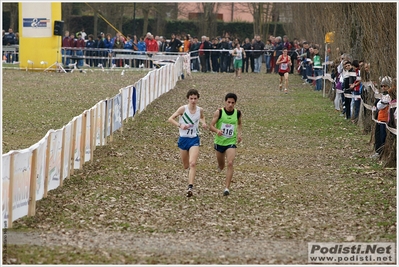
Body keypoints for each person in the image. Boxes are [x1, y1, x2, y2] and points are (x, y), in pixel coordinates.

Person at [167, 89, 208, 197]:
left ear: (198, 99)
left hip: (194, 139)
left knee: (193, 163)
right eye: (191, 98)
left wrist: (203, 123)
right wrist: (180, 125)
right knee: (186, 166)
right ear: (188, 99)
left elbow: (202, 117)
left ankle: (190, 187)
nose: (193, 101)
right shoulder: (183, 109)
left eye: (195, 98)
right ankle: (188, 173)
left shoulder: (200, 110)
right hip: (183, 139)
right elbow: (170, 119)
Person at [209, 93, 242, 196]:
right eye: (229, 102)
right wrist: (217, 130)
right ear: (225, 102)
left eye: (233, 103)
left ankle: (227, 188)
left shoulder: (237, 113)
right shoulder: (219, 112)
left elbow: (240, 123)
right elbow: (211, 126)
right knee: (221, 165)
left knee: (230, 163)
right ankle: (220, 166)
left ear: (235, 103)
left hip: (231, 142)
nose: (230, 104)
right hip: (219, 142)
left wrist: (239, 134)